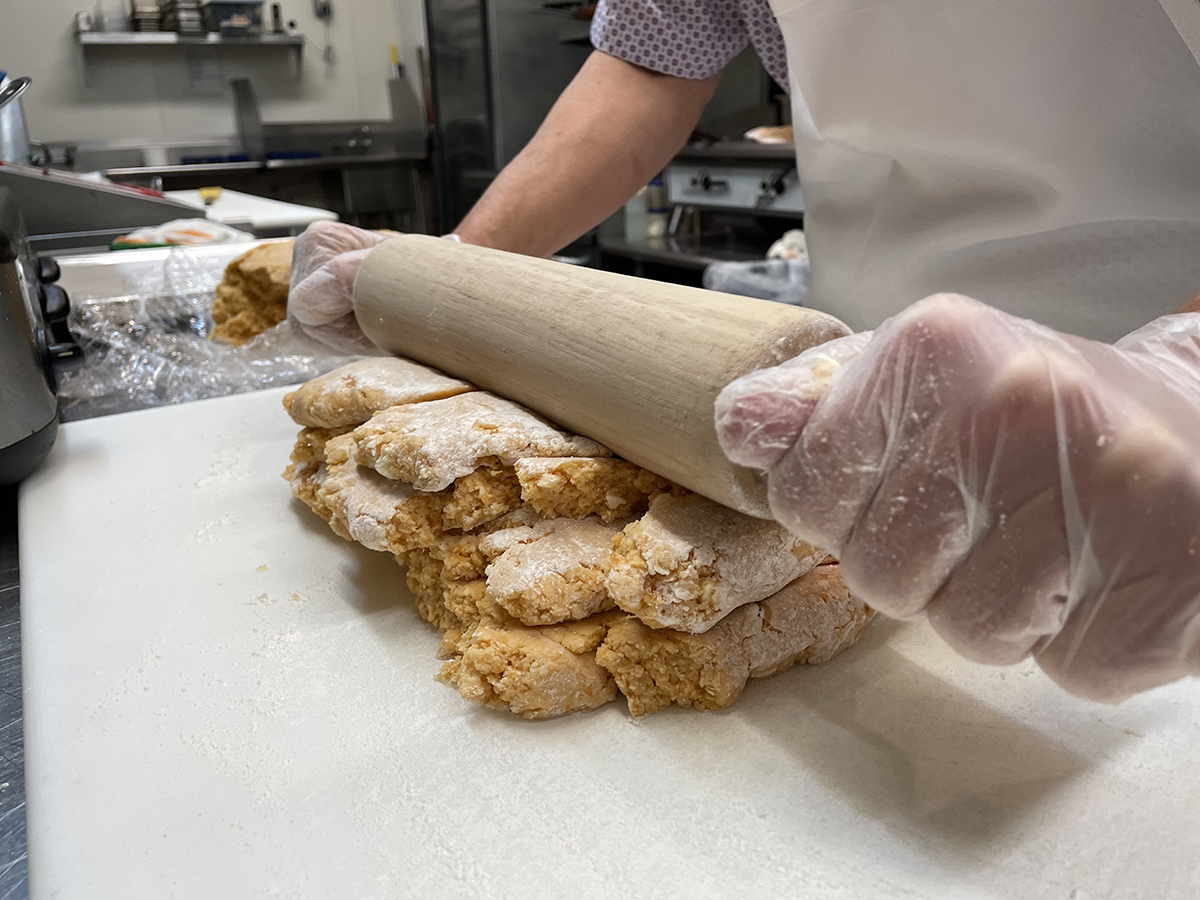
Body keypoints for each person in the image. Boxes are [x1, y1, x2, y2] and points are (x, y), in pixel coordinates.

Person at [289, 0, 1200, 701]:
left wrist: (1181, 377)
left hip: (1149, 395)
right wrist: (456, 281)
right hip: (852, 371)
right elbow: (647, 68)